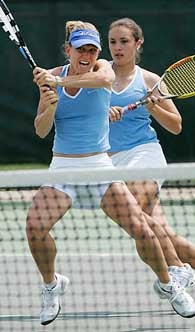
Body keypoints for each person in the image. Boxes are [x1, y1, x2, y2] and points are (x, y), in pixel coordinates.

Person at [26, 20, 195, 326]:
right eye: (81, 49)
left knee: (142, 228)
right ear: (69, 50)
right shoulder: (50, 78)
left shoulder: (104, 69)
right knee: (34, 227)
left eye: (93, 49)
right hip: (64, 167)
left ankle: (170, 284)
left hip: (104, 165)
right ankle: (52, 285)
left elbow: (103, 79)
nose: (88, 55)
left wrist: (58, 86)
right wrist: (49, 105)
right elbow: (40, 131)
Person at [107, 17, 195, 291]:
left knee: (131, 207)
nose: (117, 48)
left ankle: (177, 270)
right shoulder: (101, 75)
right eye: (112, 42)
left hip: (144, 153)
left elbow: (176, 126)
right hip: (109, 162)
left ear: (137, 43)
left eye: (124, 41)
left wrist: (154, 107)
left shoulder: (150, 80)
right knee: (154, 229)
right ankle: (182, 267)